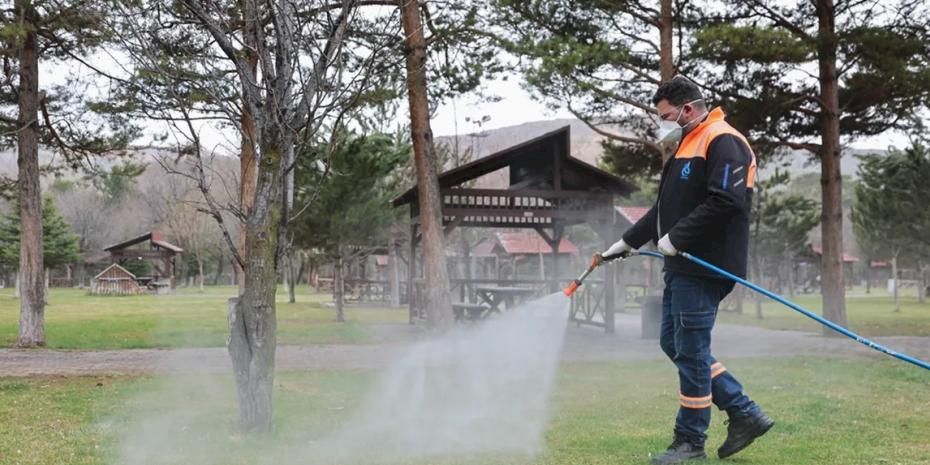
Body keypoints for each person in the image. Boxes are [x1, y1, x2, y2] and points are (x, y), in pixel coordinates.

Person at [602, 76, 773, 464]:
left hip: (706, 264)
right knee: (674, 343)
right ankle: (744, 412)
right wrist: (628, 241)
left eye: (667, 115)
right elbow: (664, 210)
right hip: (682, 265)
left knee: (692, 349)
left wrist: (678, 237)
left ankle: (690, 441)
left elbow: (727, 201)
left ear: (688, 109)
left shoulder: (723, 139)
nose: (664, 123)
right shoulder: (689, 142)